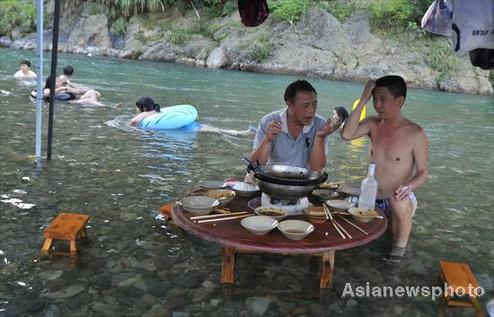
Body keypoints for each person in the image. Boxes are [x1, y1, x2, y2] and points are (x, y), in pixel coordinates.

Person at [341, 75, 429, 264]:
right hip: (370, 196)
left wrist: (408, 187)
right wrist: (363, 99)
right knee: (338, 195)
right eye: (374, 100)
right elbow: (347, 134)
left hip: (398, 197)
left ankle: (399, 250)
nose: (377, 105)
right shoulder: (373, 124)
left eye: (383, 100)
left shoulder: (415, 133)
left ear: (400, 101)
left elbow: (423, 172)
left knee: (397, 204)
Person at [249, 80, 342, 171]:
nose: (311, 110)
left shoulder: (321, 125)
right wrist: (267, 140)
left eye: (314, 104)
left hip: (303, 182)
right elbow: (254, 165)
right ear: (289, 104)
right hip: (273, 179)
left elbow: (317, 168)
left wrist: (320, 137)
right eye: (305, 105)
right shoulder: (268, 122)